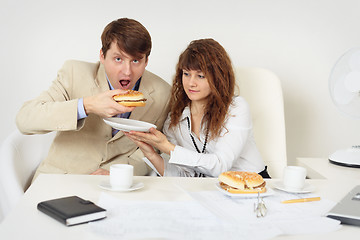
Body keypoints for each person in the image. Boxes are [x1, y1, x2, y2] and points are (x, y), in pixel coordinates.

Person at [16, 18, 171, 180]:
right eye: (118, 59)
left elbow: (153, 147)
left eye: (136, 61)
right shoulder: (74, 73)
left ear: (146, 61)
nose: (127, 71)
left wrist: (119, 172)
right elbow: (25, 119)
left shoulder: (162, 93)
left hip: (116, 185)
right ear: (102, 56)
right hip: (61, 179)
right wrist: (86, 106)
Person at [125, 38, 270, 178]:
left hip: (252, 187)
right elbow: (185, 176)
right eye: (186, 74)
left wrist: (167, 147)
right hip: (209, 189)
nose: (191, 83)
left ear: (218, 78)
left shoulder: (236, 109)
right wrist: (150, 153)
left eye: (200, 76)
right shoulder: (175, 118)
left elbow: (220, 165)